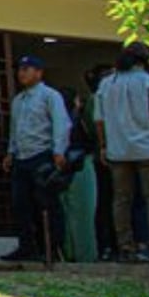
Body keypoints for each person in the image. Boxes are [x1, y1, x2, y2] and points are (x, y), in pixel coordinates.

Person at [0, 56, 71, 262]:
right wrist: (10, 152)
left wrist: (59, 151)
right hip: (22, 157)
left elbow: (61, 124)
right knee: (21, 205)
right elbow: (15, 129)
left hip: (42, 155)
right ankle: (26, 247)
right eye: (20, 69)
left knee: (46, 204)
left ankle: (52, 248)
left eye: (27, 69)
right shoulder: (18, 100)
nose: (22, 73)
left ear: (39, 73)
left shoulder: (50, 96)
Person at [94, 42, 149, 263]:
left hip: (118, 150)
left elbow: (99, 120)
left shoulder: (106, 84)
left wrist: (103, 146)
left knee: (121, 199)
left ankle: (125, 247)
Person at [59, 85, 98, 263]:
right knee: (84, 214)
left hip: (58, 165)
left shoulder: (54, 120)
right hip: (81, 164)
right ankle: (86, 255)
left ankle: (68, 253)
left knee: (64, 213)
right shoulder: (80, 120)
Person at [85, 65, 117, 260]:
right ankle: (106, 246)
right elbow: (93, 126)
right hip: (104, 158)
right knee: (106, 202)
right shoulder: (94, 100)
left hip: (115, 154)